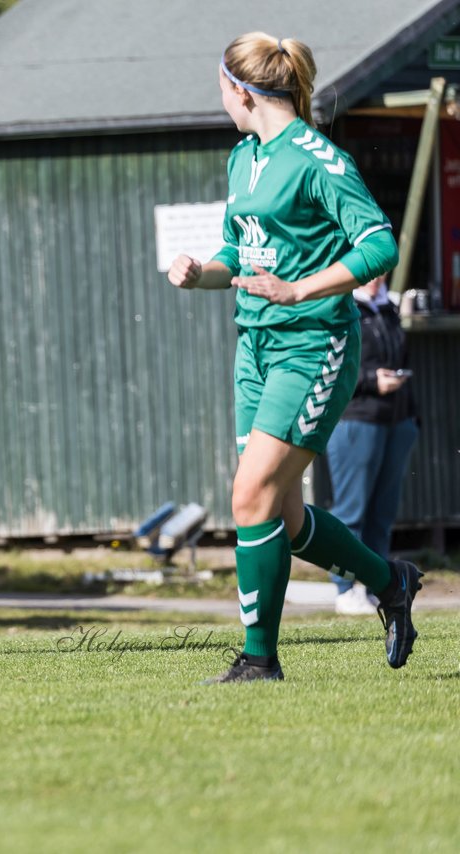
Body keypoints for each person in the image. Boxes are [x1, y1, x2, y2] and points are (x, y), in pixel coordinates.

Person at [166, 32, 421, 682]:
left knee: (249, 495)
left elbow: (377, 243)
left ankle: (259, 659)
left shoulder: (317, 159)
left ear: (239, 90)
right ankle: (390, 582)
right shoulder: (244, 157)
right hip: (253, 346)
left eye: (219, 87)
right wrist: (201, 272)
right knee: (277, 511)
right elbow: (239, 254)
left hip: (315, 345)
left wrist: (301, 289)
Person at [326, 273, 419, 614]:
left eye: (382, 269)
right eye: (371, 267)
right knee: (351, 512)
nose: (378, 275)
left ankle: (379, 585)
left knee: (382, 513)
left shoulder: (387, 308)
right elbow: (330, 365)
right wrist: (369, 381)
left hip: (396, 420)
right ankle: (345, 589)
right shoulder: (340, 304)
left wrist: (412, 418)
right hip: (357, 418)